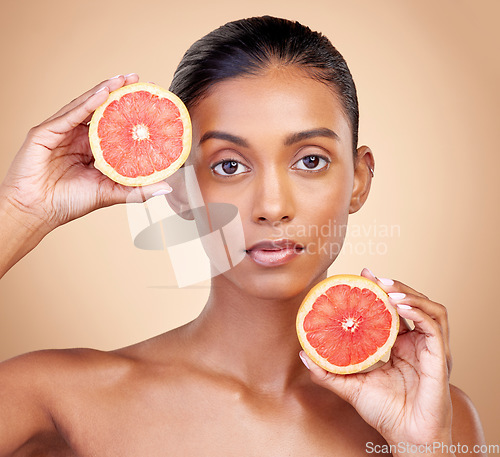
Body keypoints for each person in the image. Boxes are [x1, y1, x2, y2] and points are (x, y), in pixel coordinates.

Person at [0, 15, 487, 456]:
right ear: (179, 189)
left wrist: (427, 451)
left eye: (310, 160)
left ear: (358, 181)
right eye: (229, 165)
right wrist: (21, 212)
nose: (273, 207)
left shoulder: (434, 416)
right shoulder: (53, 400)